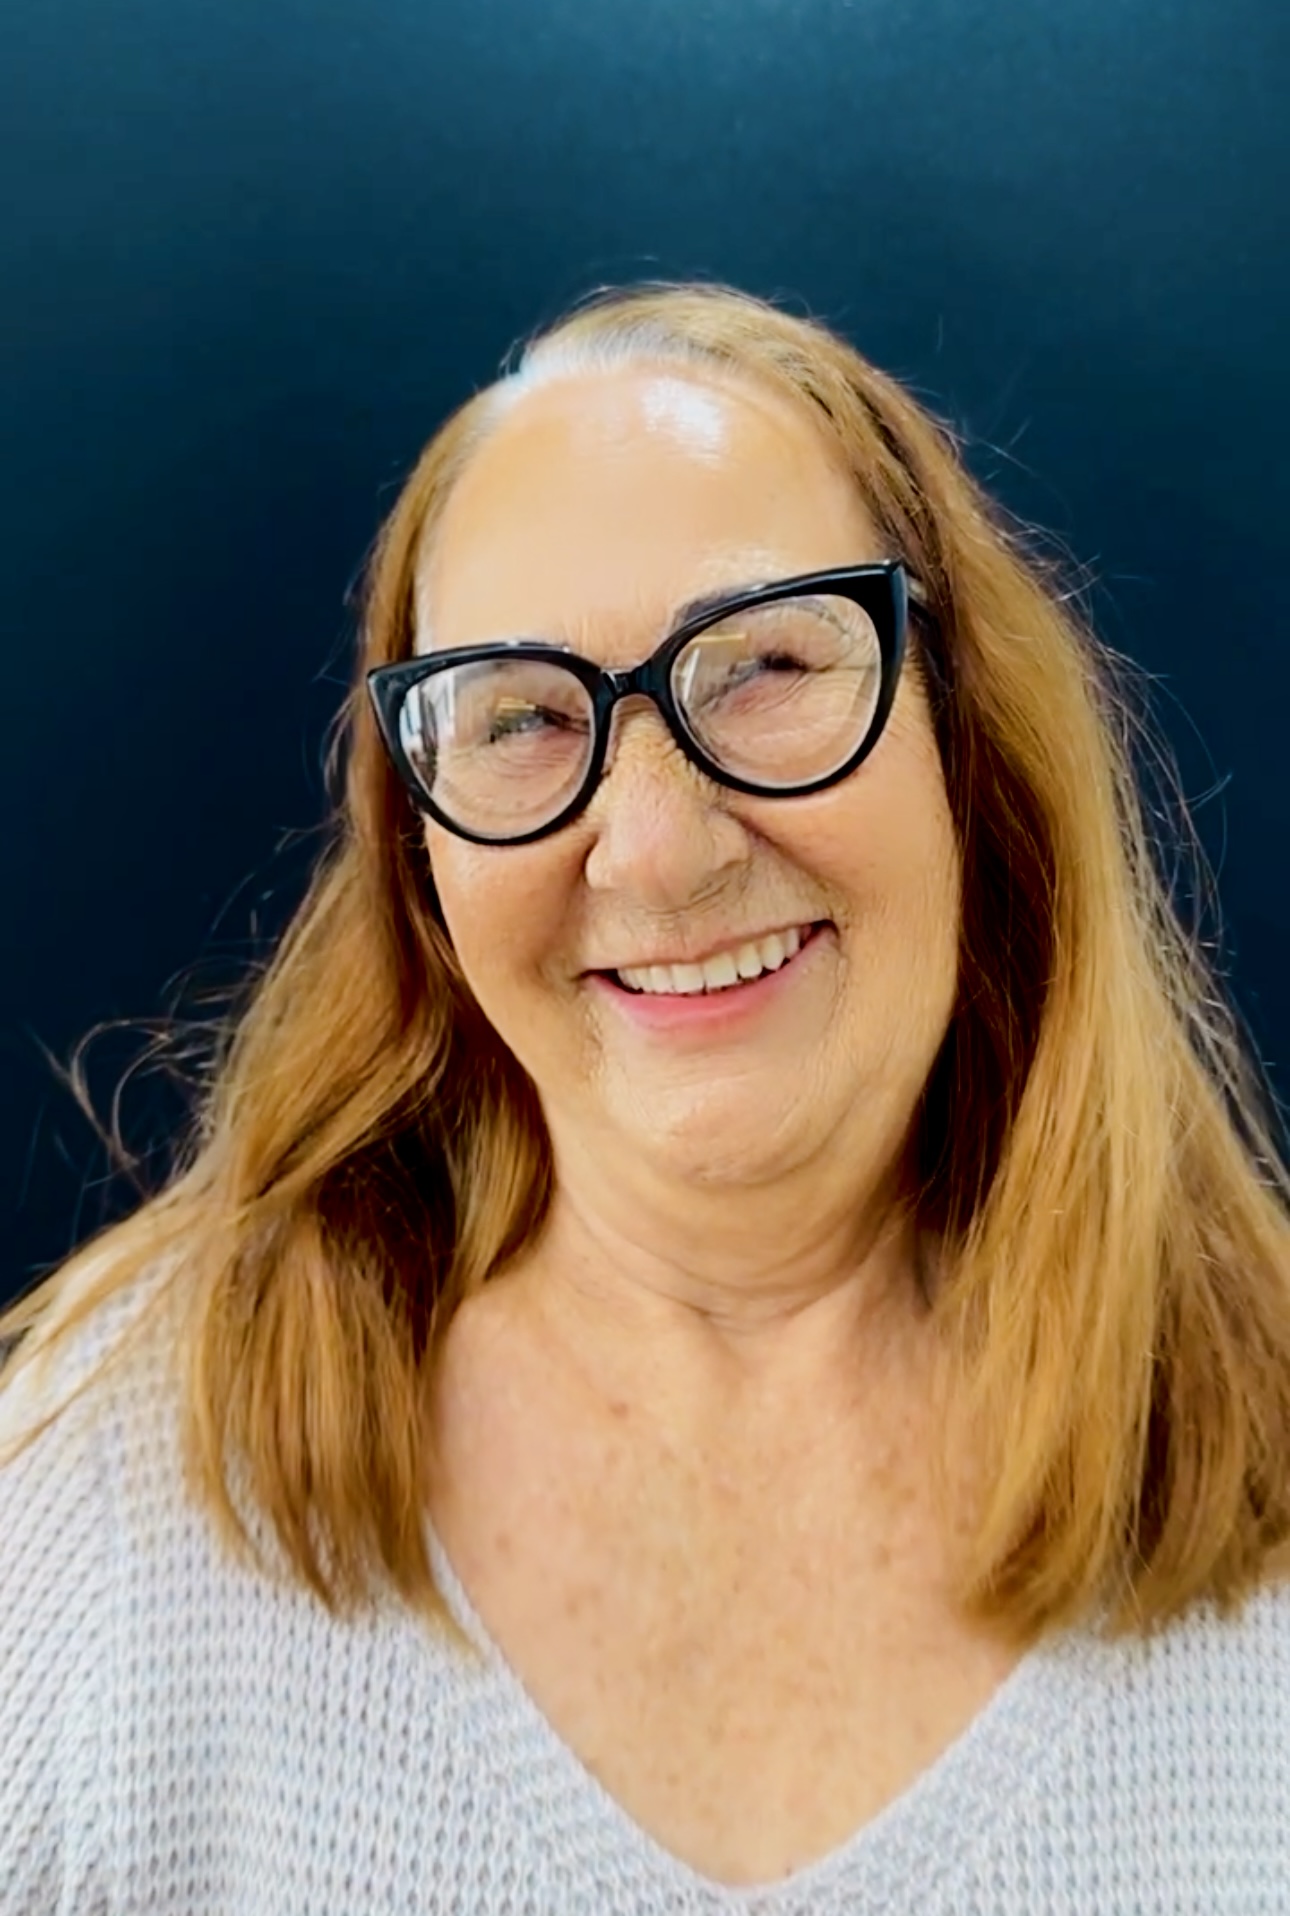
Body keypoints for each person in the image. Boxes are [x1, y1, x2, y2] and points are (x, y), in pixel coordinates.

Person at [2, 280, 1289, 1914]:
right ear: (418, 857)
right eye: (523, 718)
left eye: (765, 665)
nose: (659, 853)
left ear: (967, 747)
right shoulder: (106, 1487)